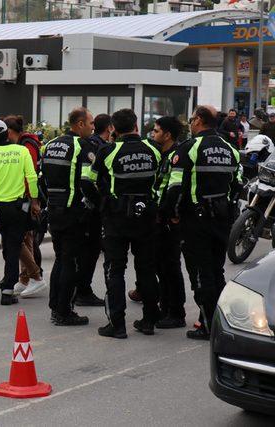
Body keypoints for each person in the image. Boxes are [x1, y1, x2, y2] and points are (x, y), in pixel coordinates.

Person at [161, 106, 241, 340]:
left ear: (199, 121)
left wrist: (171, 214)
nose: (190, 123)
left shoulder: (190, 148)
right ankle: (221, 320)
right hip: (222, 219)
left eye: (193, 119)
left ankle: (207, 325)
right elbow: (238, 185)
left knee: (200, 274)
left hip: (196, 221)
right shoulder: (230, 149)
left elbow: (175, 187)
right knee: (217, 271)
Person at [89, 108, 161, 339]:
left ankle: (117, 325)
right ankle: (149, 320)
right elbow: (164, 182)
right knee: (147, 268)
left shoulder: (108, 151)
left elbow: (87, 181)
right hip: (147, 217)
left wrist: (102, 202)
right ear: (136, 126)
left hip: (116, 219)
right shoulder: (154, 150)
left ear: (113, 129)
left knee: (115, 269)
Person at [42, 107, 101, 326]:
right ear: (79, 124)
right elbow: (87, 181)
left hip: (54, 210)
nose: (93, 127)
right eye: (91, 123)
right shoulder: (82, 146)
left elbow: (42, 178)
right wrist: (98, 202)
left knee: (61, 259)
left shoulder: (51, 144)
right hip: (73, 213)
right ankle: (64, 311)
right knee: (71, 262)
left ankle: (55, 306)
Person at [0, 119, 40, 305]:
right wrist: (34, 201)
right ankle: (7, 291)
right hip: (16, 209)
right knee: (12, 249)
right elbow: (32, 177)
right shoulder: (22, 151)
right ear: (7, 133)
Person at [149, 116, 187, 329]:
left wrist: (168, 214)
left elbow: (174, 189)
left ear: (168, 134)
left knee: (170, 266)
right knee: (160, 265)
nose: (153, 134)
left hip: (168, 220)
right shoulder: (160, 154)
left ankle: (176, 312)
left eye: (156, 131)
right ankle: (165, 307)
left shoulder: (176, 155)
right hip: (159, 217)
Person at [4, 115, 46, 298]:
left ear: (11, 132)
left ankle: (35, 276)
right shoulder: (26, 143)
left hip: (27, 199)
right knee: (26, 239)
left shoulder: (27, 146)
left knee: (20, 240)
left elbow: (30, 175)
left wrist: (33, 201)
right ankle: (25, 278)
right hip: (26, 198)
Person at [74, 114, 113, 307]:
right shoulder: (94, 147)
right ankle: (82, 290)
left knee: (88, 250)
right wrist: (101, 203)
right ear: (110, 128)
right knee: (89, 250)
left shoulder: (92, 144)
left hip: (86, 206)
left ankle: (81, 289)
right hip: (90, 208)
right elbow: (89, 181)